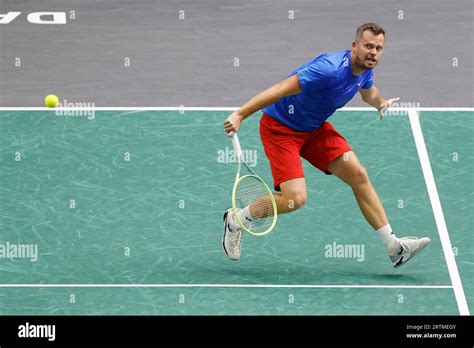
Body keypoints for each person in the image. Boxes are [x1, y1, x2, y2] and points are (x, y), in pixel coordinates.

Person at [222, 23, 430, 268]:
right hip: (280, 128)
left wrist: (380, 103)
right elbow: (280, 89)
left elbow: (368, 92)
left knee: (358, 174)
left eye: (378, 48)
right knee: (295, 199)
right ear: (355, 46)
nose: (373, 52)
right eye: (368, 46)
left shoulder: (364, 70)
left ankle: (394, 248)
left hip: (313, 128)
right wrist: (240, 114)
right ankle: (237, 219)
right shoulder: (328, 70)